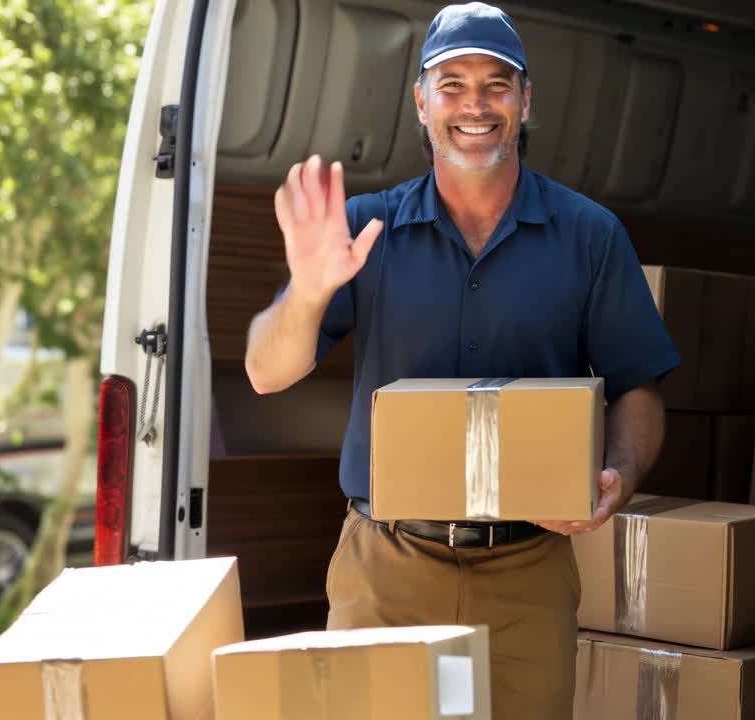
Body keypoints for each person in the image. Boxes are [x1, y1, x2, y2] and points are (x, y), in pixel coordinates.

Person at [243, 2, 679, 716]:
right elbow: (267, 371)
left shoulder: (589, 236)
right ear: (421, 102)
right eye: (452, 84)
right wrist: (311, 292)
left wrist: (619, 478)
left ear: (525, 100)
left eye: (496, 84)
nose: (474, 105)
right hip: (386, 569)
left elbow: (639, 386)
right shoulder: (364, 231)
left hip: (527, 571)